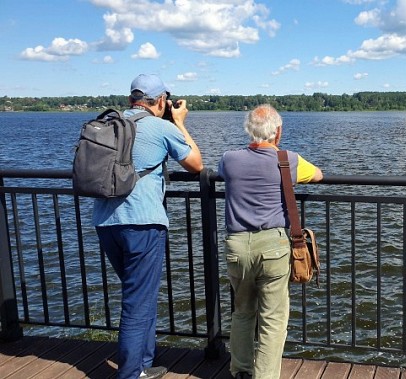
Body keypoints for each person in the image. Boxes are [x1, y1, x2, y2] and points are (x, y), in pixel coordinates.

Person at [93, 74, 203, 379]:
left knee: (139, 293)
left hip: (105, 222)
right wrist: (179, 122)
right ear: (162, 101)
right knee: (137, 301)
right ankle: (129, 374)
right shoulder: (160, 127)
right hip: (142, 223)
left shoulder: (108, 123)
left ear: (131, 100)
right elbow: (196, 164)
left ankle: (142, 364)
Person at [218, 104, 323, 379]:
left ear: (248, 130)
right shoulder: (288, 160)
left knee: (242, 312)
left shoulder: (229, 159)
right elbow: (318, 174)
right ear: (278, 131)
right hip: (274, 247)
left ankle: (240, 370)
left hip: (237, 246)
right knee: (273, 319)